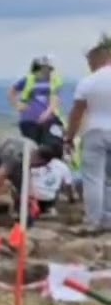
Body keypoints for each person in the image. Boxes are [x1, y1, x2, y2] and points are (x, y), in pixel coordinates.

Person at [64, 36, 111, 233]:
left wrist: (69, 137)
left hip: (94, 132)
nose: (89, 65)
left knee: (93, 179)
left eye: (89, 61)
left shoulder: (88, 82)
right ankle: (108, 219)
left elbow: (77, 112)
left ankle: (93, 221)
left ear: (97, 58)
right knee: (109, 180)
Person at [10, 55, 65, 143]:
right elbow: (12, 91)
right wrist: (17, 105)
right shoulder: (28, 79)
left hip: (48, 120)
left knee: (52, 143)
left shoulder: (54, 82)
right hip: (29, 120)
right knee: (32, 145)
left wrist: (46, 115)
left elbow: (55, 100)